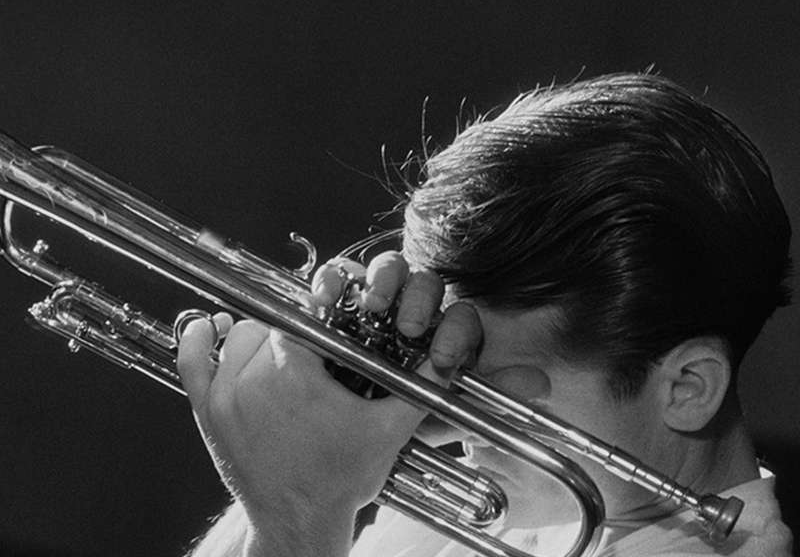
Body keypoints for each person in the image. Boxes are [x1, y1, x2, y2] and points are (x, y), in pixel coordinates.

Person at [176, 73, 794, 556]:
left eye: (494, 391)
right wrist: (325, 426)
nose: (456, 412)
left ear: (687, 389)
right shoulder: (526, 504)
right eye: (451, 366)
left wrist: (299, 515)